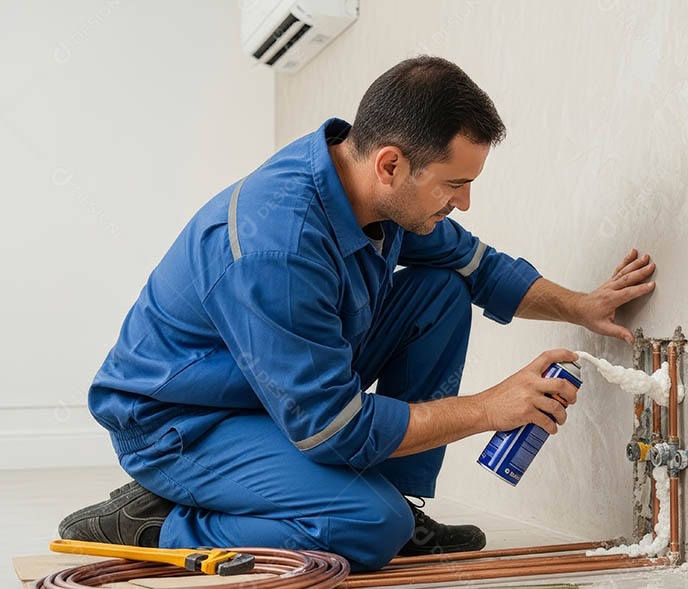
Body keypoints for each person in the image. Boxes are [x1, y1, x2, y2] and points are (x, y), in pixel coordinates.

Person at [58, 56, 657, 572]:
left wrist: (582, 306)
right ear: (392, 164)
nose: (465, 202)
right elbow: (331, 427)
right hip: (182, 423)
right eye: (456, 183)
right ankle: (155, 523)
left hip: (272, 392)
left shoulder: (370, 191)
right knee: (367, 527)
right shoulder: (281, 246)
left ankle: (399, 509)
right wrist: (486, 409)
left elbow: (479, 269)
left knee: (440, 292)